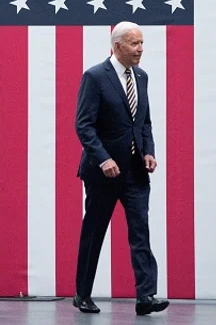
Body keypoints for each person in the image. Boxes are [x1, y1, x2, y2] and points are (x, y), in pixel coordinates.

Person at [72, 21, 168, 316]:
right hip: (103, 174)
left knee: (141, 232)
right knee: (95, 232)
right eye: (135, 43)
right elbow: (84, 125)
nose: (141, 49)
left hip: (135, 173)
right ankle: (83, 294)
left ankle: (146, 295)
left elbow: (144, 123)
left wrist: (148, 151)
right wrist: (103, 158)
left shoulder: (141, 77)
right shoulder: (95, 77)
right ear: (117, 46)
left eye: (142, 43)